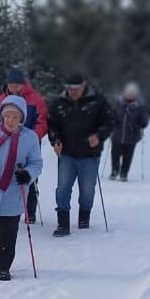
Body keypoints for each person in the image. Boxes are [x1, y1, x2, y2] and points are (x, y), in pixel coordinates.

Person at [0, 94, 43, 279]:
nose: (10, 120)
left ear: (21, 118)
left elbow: (37, 163)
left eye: (15, 116)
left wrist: (28, 174)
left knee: (7, 236)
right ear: (1, 115)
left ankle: (4, 267)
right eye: (7, 116)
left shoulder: (30, 138)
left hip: (13, 196)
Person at [47, 71, 113, 235]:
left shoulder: (97, 101)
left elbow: (109, 122)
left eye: (76, 88)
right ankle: (63, 224)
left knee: (87, 191)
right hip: (67, 154)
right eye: (70, 88)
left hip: (89, 155)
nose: (73, 91)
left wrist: (98, 136)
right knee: (62, 189)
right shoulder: (59, 103)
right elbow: (52, 124)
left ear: (84, 86)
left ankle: (84, 219)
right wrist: (55, 140)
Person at [0, 67, 48, 223]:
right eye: (11, 85)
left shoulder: (35, 99)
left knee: (29, 177)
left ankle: (30, 211)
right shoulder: (2, 99)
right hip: (3, 143)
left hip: (28, 144)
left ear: (23, 84)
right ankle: (0, 208)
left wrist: (32, 137)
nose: (13, 88)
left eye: (17, 85)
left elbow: (42, 122)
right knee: (1, 173)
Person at [110, 81, 150, 181]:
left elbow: (144, 120)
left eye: (132, 93)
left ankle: (124, 173)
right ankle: (114, 171)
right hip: (117, 135)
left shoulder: (139, 106)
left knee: (127, 156)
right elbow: (113, 115)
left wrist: (142, 123)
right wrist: (112, 122)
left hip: (132, 136)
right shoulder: (118, 104)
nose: (130, 95)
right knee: (115, 154)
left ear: (136, 94)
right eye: (128, 93)